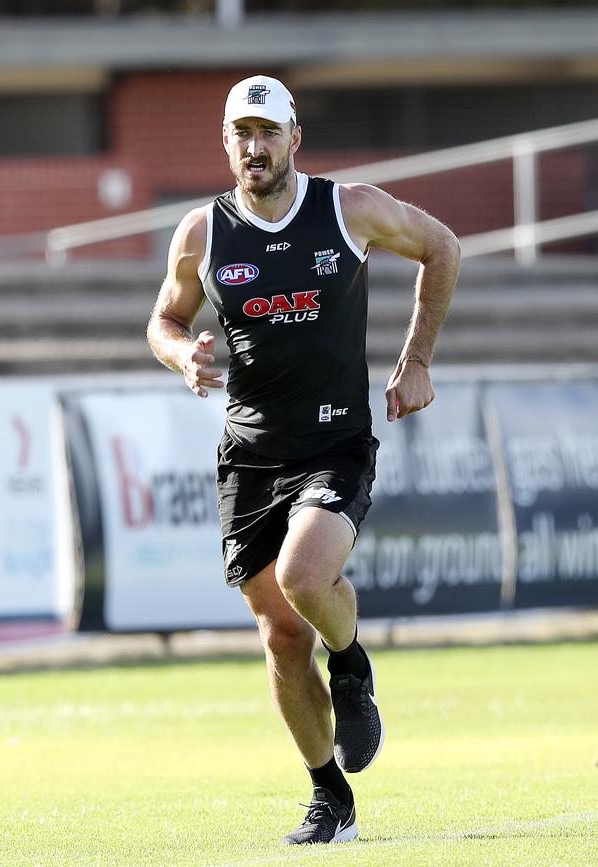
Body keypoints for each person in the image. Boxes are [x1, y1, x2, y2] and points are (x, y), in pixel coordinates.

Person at [147, 74, 460, 845]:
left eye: (267, 133)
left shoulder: (347, 208)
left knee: (303, 576)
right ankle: (331, 798)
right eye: (240, 134)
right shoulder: (201, 233)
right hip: (249, 457)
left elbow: (442, 246)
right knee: (283, 635)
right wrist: (182, 353)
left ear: (295, 140)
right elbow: (162, 318)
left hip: (334, 440)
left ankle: (351, 664)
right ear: (227, 144)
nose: (254, 148)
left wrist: (417, 358)